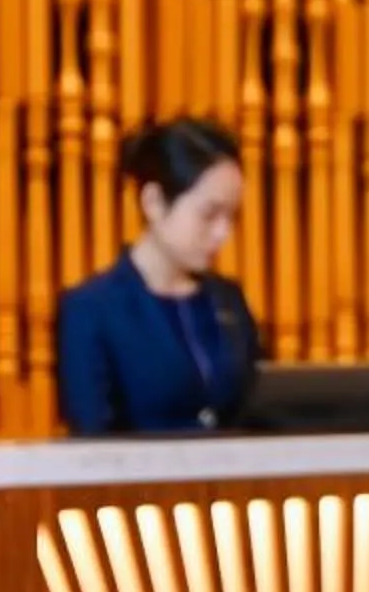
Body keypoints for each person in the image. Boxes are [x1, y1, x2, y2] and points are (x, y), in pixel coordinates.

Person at [54, 118, 257, 435]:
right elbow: (91, 438)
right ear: (154, 202)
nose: (223, 233)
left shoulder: (228, 301)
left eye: (231, 216)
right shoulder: (92, 310)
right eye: (209, 214)